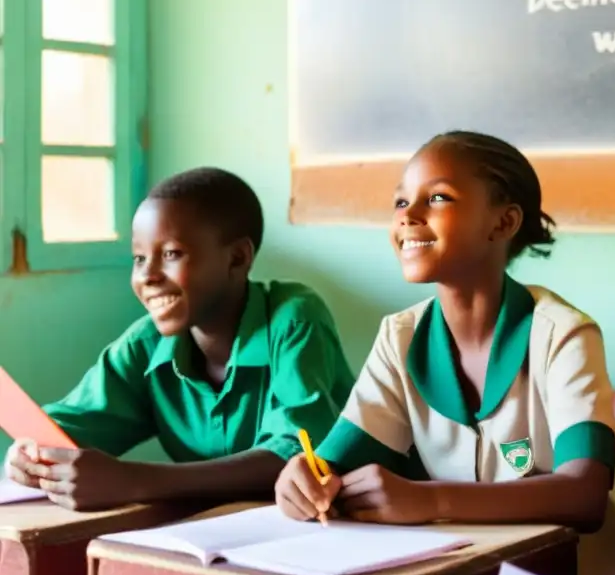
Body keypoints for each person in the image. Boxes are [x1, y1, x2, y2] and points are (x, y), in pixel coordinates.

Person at [274, 131, 615, 575]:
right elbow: (330, 463)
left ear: (504, 222)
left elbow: (585, 493)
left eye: (436, 198)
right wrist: (304, 480)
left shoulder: (562, 335)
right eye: (399, 202)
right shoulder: (401, 338)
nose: (408, 216)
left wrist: (428, 499)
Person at [4, 167, 355, 511]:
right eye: (139, 258)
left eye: (171, 254)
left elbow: (297, 456)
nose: (148, 276)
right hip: (206, 537)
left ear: (238, 257)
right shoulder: (145, 345)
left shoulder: (294, 318)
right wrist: (32, 455)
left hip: (330, 527)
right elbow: (71, 426)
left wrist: (135, 481)